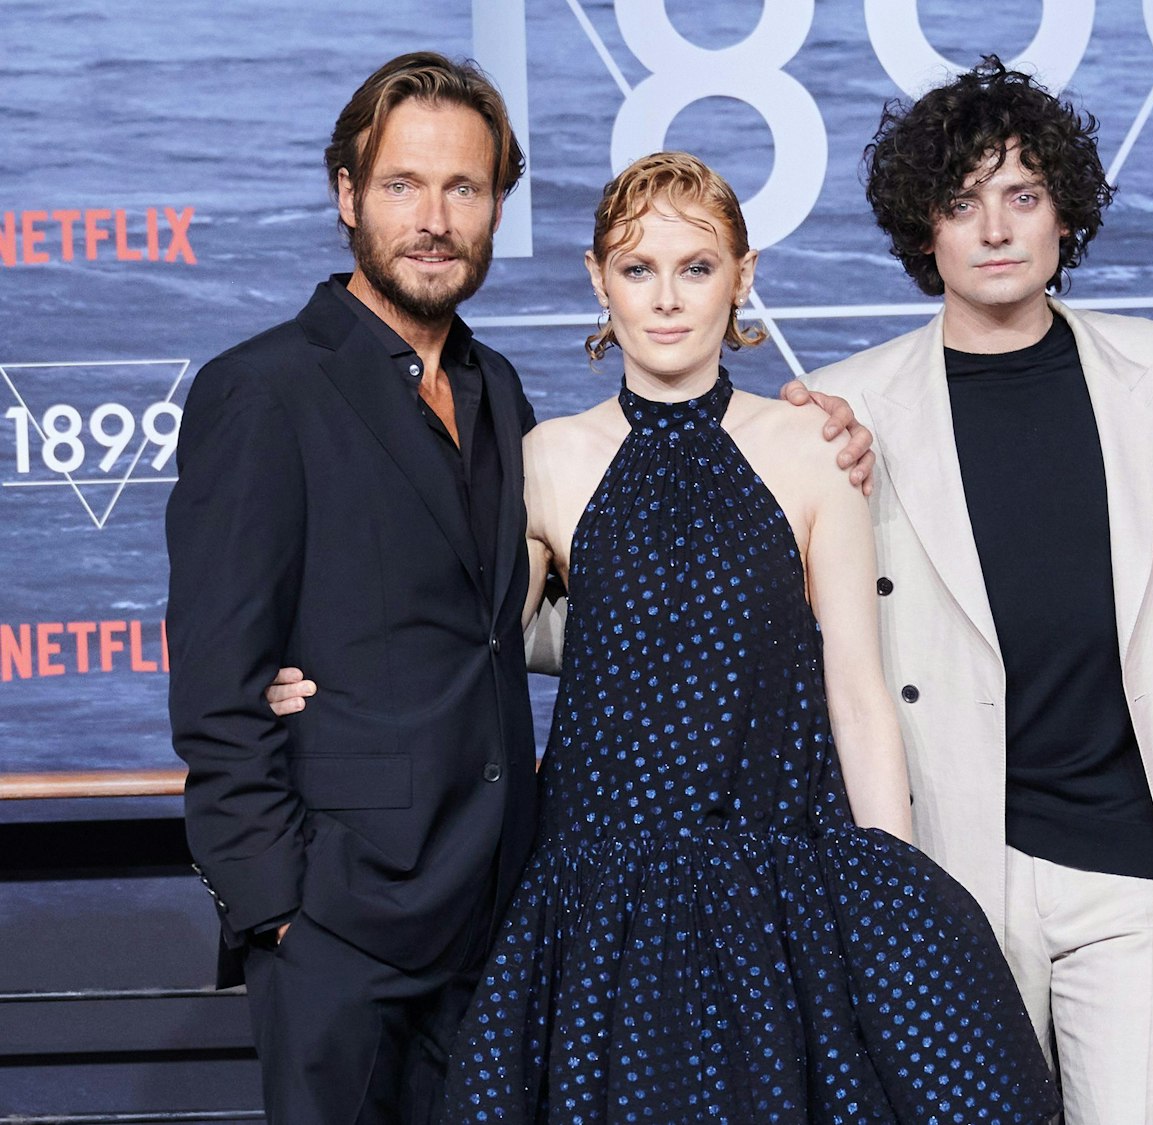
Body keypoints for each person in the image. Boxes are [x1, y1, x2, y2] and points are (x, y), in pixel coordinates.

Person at [175, 53, 873, 1125]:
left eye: (464, 188)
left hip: (500, 907)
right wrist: (277, 907)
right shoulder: (263, 390)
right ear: (346, 194)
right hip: (341, 921)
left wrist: (823, 453)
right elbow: (217, 685)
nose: (434, 217)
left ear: (497, 205)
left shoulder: (497, 390)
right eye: (403, 184)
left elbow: (519, 622)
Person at [433, 151, 1054, 1122]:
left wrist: (891, 899)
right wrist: (318, 680)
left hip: (775, 887)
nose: (667, 299)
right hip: (600, 898)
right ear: (598, 281)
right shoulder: (546, 460)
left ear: (743, 276)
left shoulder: (809, 445)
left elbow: (857, 688)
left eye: (696, 267)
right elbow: (470, 649)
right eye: (638, 270)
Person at [803, 58, 1153, 1123]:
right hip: (947, 860)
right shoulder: (844, 406)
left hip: (1133, 859)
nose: (993, 229)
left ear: (1062, 218)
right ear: (924, 230)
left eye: (1021, 196)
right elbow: (750, 608)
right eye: (960, 203)